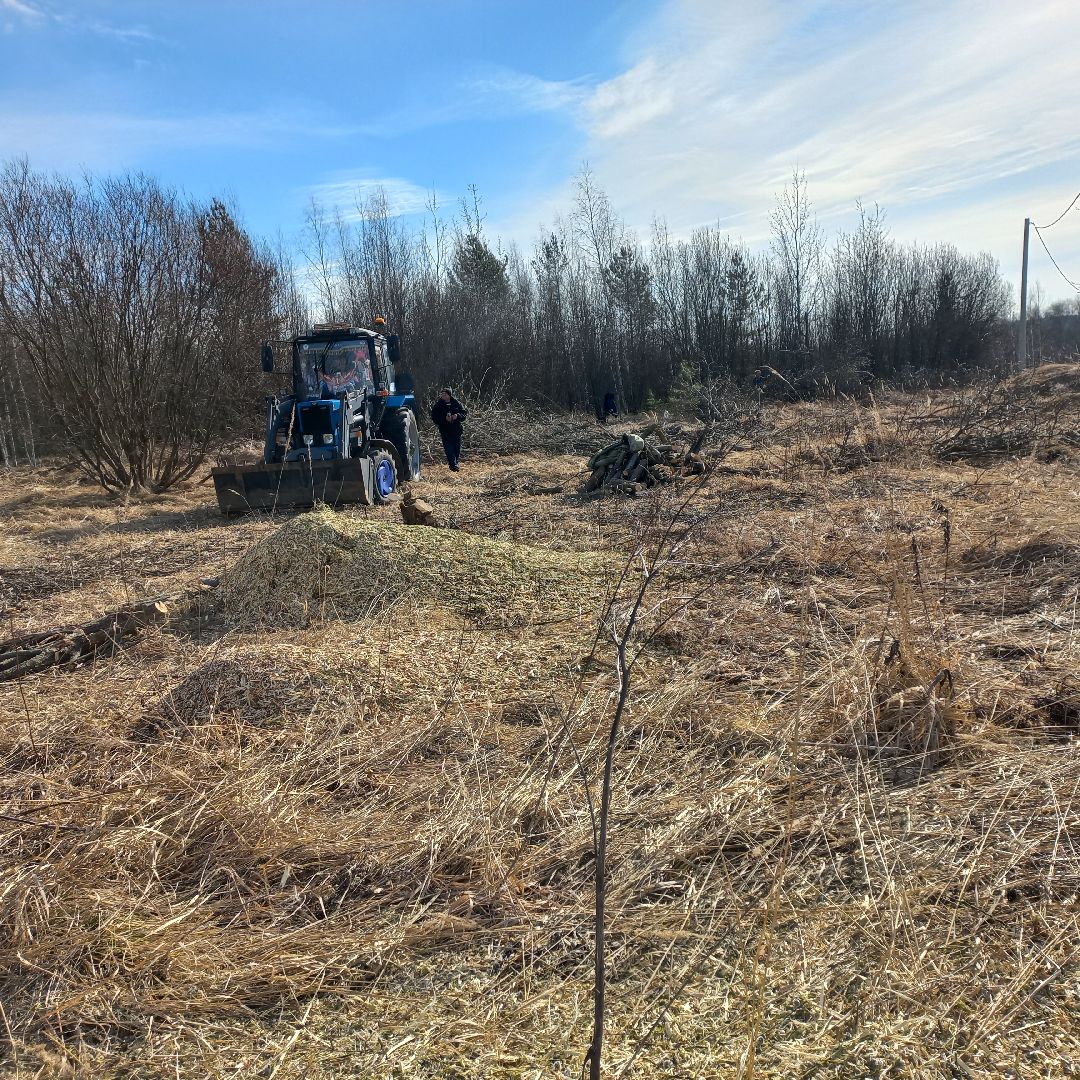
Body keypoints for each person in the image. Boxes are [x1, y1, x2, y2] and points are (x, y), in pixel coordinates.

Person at [430, 387, 468, 471]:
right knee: (448, 448)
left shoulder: (456, 403)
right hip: (445, 430)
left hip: (456, 430)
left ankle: (455, 463)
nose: (443, 396)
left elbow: (464, 414)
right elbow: (434, 418)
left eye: (445, 394)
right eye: (442, 394)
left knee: (456, 448)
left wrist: (457, 416)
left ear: (449, 395)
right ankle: (453, 464)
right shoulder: (438, 405)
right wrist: (444, 419)